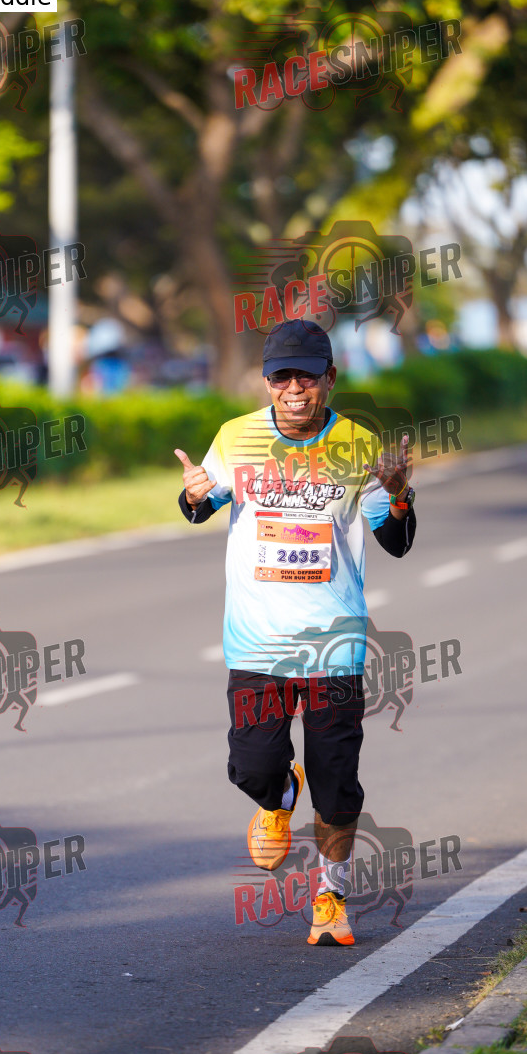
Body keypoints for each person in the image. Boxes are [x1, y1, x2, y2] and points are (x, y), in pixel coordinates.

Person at [174, 318, 416, 947]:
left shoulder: (359, 446)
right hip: (257, 641)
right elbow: (201, 506)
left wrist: (398, 497)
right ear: (267, 381)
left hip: (334, 644)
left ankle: (331, 895)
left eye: (306, 377)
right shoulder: (237, 437)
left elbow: (395, 541)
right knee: (250, 765)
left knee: (336, 779)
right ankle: (278, 794)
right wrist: (194, 495)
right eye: (282, 377)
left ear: (329, 379)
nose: (294, 389)